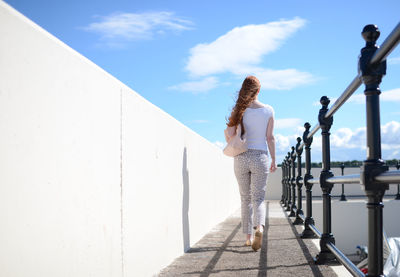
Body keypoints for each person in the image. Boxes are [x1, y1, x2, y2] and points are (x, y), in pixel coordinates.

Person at [224, 75, 277, 251]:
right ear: (259, 90)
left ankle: (248, 238)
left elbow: (230, 135)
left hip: (241, 157)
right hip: (260, 157)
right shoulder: (269, 110)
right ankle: (259, 229)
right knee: (258, 198)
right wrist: (274, 160)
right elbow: (270, 138)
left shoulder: (239, 110)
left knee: (245, 198)